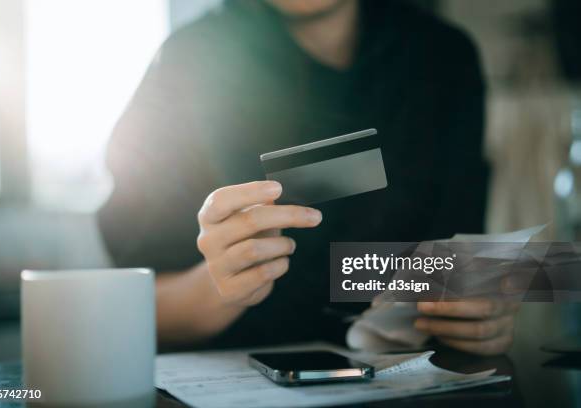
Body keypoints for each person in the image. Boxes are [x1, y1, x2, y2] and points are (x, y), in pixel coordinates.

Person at [98, 0, 518, 355]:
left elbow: (461, 264)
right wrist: (220, 283)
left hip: (415, 379)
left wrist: (484, 316)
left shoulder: (444, 58)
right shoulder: (187, 65)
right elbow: (130, 312)